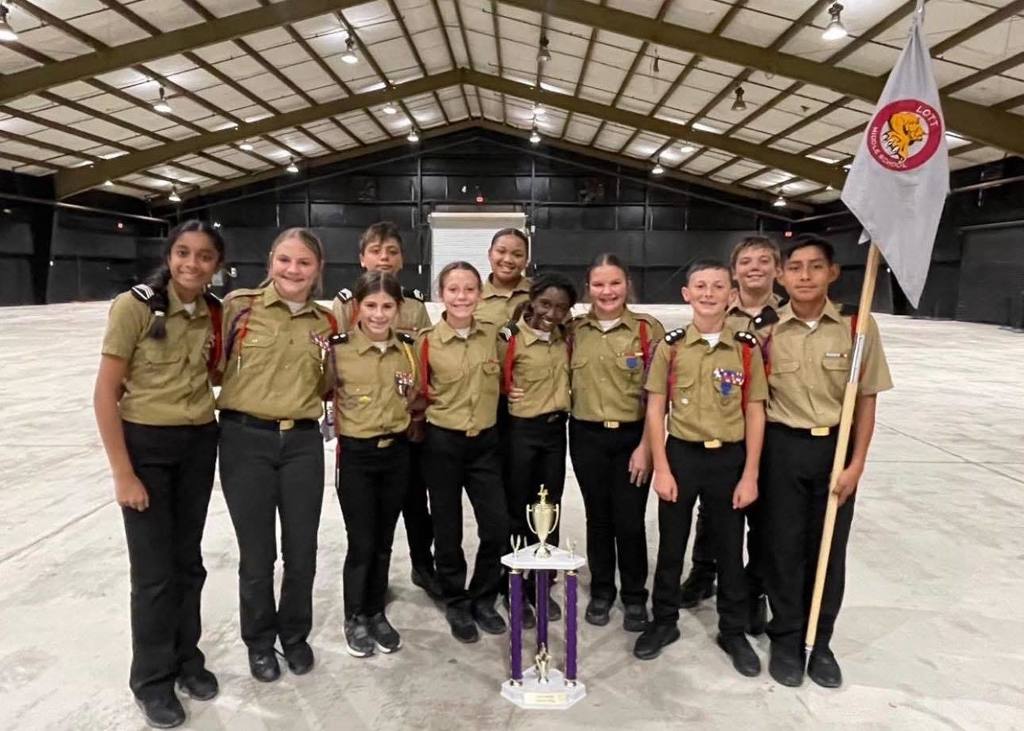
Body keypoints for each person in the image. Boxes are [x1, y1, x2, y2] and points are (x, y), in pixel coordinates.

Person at [94, 220, 225, 729]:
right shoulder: (134, 307)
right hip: (146, 446)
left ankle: (186, 658)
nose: (192, 264)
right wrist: (123, 473)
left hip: (198, 445)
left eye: (205, 256)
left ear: (217, 264)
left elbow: (214, 372)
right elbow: (106, 393)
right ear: (170, 256)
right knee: (153, 574)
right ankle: (151, 679)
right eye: (184, 253)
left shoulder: (213, 313)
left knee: (188, 563)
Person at [761, 235, 892, 689]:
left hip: (833, 451)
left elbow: (867, 401)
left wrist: (857, 464)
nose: (804, 276)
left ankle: (820, 641)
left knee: (828, 550)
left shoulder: (857, 327)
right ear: (781, 276)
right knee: (783, 548)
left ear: (833, 273)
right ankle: (786, 637)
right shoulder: (766, 329)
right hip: (781, 450)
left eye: (815, 267)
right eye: (794, 267)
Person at [634, 259, 767, 680]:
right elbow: (656, 410)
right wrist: (662, 467)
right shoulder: (670, 348)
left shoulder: (746, 350)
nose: (709, 293)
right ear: (686, 294)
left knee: (729, 548)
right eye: (700, 286)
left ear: (731, 295)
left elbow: (755, 412)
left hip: (728, 459)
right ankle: (664, 621)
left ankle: (732, 630)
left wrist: (750, 474)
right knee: (671, 545)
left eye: (718, 287)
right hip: (683, 456)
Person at [216, 228, 337, 682]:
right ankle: (259, 641)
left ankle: (294, 635)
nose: (293, 270)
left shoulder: (326, 324)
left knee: (302, 550)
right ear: (271, 260)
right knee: (257, 553)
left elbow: (329, 383)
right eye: (285, 259)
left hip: (303, 444)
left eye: (304, 263)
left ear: (317, 270)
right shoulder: (237, 307)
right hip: (245, 441)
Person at [332, 221, 439, 600]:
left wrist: (419, 416)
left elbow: (422, 359)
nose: (384, 258)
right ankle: (366, 595)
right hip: (364, 427)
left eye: (392, 251)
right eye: (376, 250)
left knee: (415, 504)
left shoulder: (414, 304)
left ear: (402, 259)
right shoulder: (346, 303)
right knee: (367, 525)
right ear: (362, 257)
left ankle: (423, 567)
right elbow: (340, 362)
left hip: (406, 425)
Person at [681, 236, 783, 632]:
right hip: (728, 428)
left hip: (778, 426)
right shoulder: (722, 312)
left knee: (763, 516)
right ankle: (703, 574)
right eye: (745, 261)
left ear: (777, 268)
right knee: (713, 510)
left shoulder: (789, 315)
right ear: (734, 271)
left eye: (763, 260)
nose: (754, 267)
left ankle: (753, 589)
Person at [567, 254, 664, 632]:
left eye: (614, 283)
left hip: (632, 438)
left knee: (630, 519)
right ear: (588, 287)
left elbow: (658, 397)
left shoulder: (647, 330)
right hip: (586, 435)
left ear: (627, 284)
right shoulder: (574, 331)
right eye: (599, 284)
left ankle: (635, 594)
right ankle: (603, 590)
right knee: (598, 518)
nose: (607, 292)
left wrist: (647, 446)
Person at [329, 271, 421, 658]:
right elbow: (320, 391)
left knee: (384, 541)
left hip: (397, 453)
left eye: (387, 306)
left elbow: (415, 396)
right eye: (371, 305)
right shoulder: (338, 349)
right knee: (362, 542)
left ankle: (375, 611)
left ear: (399, 310)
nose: (379, 314)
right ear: (357, 308)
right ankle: (354, 616)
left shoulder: (409, 349)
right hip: (358, 455)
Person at [417, 261, 509, 643]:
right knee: (447, 528)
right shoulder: (425, 342)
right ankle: (456, 600)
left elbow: (508, 380)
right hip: (442, 445)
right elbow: (418, 395)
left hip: (485, 445)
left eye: (469, 289)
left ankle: (484, 596)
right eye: (453, 290)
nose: (461, 297)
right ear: (441, 295)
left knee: (498, 525)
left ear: (480, 294)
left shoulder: (493, 338)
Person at [500, 272, 578, 622]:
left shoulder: (567, 338)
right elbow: (493, 382)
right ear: (531, 299)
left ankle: (541, 586)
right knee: (517, 511)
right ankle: (512, 585)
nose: (552, 312)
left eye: (561, 307)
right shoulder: (510, 339)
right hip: (520, 433)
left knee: (548, 510)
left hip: (553, 433)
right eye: (546, 303)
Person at [476, 228, 531, 325]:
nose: (508, 260)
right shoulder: (471, 297)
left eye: (517, 255)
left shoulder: (541, 294)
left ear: (527, 260)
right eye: (501, 251)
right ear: (490, 254)